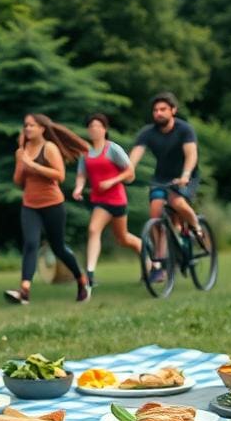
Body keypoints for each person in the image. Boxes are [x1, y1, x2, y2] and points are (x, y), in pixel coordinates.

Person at [4, 113, 90, 305]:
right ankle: (24, 290)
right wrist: (21, 160)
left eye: (32, 125)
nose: (27, 129)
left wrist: (32, 165)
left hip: (53, 204)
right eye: (25, 125)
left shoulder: (49, 148)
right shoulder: (22, 151)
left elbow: (59, 175)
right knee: (31, 244)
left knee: (58, 248)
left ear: (42, 129)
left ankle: (81, 280)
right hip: (30, 205)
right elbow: (18, 181)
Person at [128, 92, 202, 283]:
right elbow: (133, 158)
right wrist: (127, 172)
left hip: (187, 176)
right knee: (155, 213)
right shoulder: (148, 133)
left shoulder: (184, 129)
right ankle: (159, 264)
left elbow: (191, 155)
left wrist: (185, 175)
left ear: (173, 111)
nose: (158, 113)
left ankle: (196, 227)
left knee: (177, 202)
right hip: (161, 178)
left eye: (163, 109)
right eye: (155, 110)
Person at [72, 113, 141, 287]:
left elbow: (130, 172)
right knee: (93, 229)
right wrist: (79, 188)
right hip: (100, 201)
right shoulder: (85, 153)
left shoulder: (113, 149)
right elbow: (82, 175)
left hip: (117, 200)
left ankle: (148, 256)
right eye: (91, 126)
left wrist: (112, 181)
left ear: (104, 129)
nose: (94, 129)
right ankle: (90, 274)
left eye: (97, 126)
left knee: (123, 238)